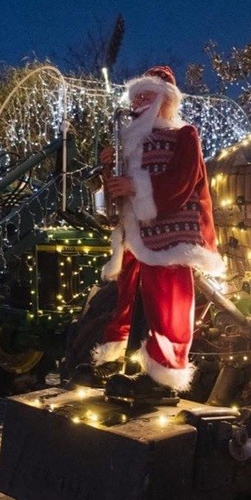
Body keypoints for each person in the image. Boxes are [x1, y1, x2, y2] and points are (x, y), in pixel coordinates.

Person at [92, 66, 225, 394]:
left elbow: (182, 182)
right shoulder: (131, 142)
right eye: (136, 99)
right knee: (124, 296)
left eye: (145, 99)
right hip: (134, 234)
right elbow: (111, 190)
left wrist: (135, 186)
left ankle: (165, 372)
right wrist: (109, 169)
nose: (138, 107)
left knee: (169, 300)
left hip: (170, 235)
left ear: (165, 101)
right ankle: (115, 357)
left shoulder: (184, 135)